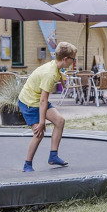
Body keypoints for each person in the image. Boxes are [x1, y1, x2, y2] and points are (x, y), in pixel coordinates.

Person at [18, 41, 78, 172]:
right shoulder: (49, 74)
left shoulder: (56, 65)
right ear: (65, 59)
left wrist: (63, 83)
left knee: (60, 121)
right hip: (29, 102)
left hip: (37, 98)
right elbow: (43, 101)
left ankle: (53, 156)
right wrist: (41, 123)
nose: (74, 61)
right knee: (39, 133)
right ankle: (27, 164)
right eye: (73, 59)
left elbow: (58, 72)